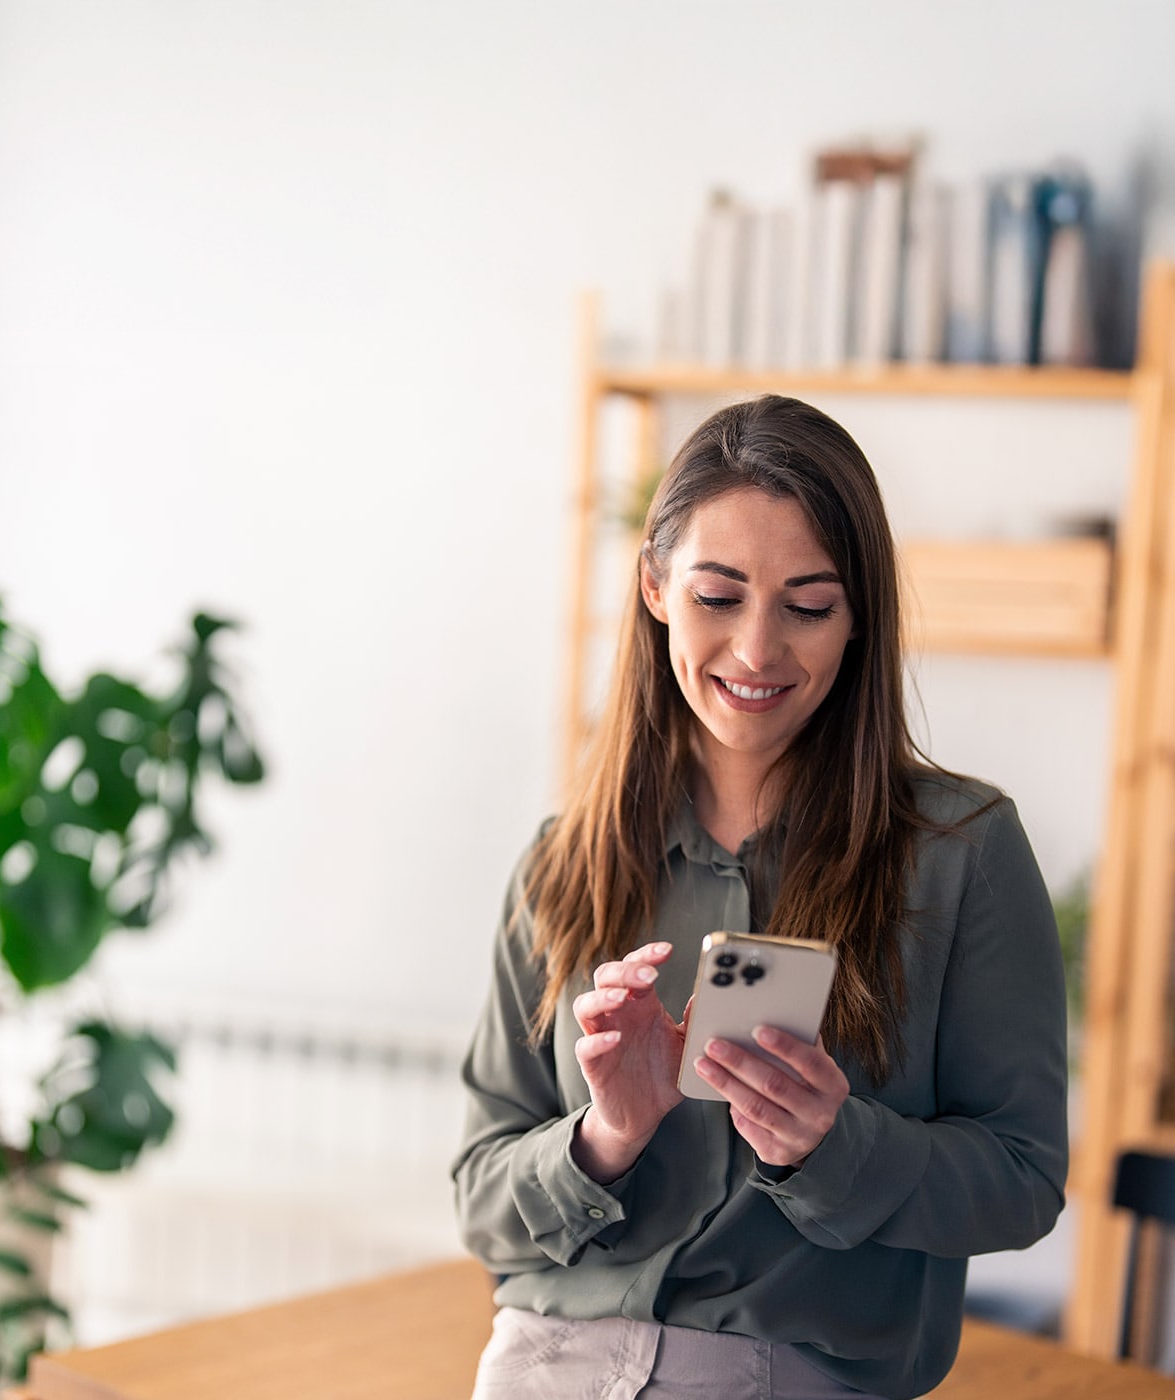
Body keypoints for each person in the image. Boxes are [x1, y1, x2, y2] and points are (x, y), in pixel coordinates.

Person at [453, 394, 1068, 1399]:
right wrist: (605, 1137)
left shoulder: (963, 853)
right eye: (718, 595)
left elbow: (1022, 1181)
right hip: (546, 1363)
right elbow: (478, 1190)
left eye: (809, 604)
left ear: (859, 612)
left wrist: (834, 1143)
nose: (756, 649)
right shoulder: (564, 862)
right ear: (655, 587)